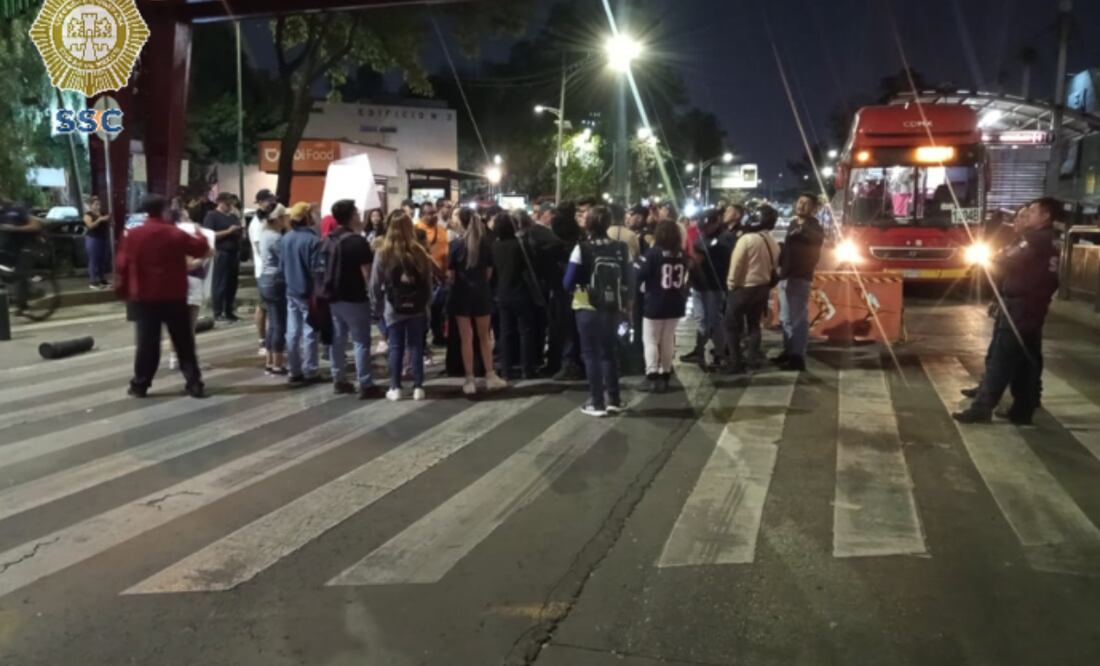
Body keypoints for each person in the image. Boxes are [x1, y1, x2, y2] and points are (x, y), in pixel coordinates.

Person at [954, 198, 1060, 425]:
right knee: (1026, 361)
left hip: (1021, 307)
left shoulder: (1033, 240)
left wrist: (993, 257)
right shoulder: (1050, 240)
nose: (1027, 216)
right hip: (1032, 306)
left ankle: (982, 408)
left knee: (1001, 359)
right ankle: (1023, 409)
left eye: (1032, 212)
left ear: (1045, 216)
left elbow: (1006, 258)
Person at [114, 194, 211, 398]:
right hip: (173, 295)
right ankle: (194, 383)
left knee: (147, 344)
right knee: (184, 342)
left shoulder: (133, 235)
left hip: (143, 297)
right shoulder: (174, 233)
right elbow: (200, 248)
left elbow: (122, 265)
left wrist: (124, 291)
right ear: (165, 210)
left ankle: (140, 384)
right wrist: (198, 232)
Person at [564, 205, 633, 417]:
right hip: (613, 308)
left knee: (591, 354)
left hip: (587, 306)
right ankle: (614, 398)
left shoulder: (582, 248)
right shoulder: (621, 248)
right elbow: (630, 280)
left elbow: (567, 282)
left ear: (590, 224)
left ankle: (596, 402)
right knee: (609, 352)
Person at [320, 199, 381, 399]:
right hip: (355, 298)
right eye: (357, 213)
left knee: (338, 340)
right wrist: (374, 297)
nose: (359, 216)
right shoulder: (357, 242)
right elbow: (367, 273)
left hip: (333, 297)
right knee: (361, 341)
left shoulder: (329, 239)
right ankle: (365, 383)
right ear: (352, 216)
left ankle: (339, 379)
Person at [371, 210, 432, 401]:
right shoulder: (419, 251)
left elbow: (374, 283)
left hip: (393, 305)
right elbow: (428, 281)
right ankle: (418, 387)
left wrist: (376, 307)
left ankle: (395, 387)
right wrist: (426, 303)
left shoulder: (384, 252)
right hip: (417, 306)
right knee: (415, 345)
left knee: (396, 346)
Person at [449, 207, 506, 395]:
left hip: (461, 295)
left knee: (466, 338)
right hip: (481, 294)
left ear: (461, 222)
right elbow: (489, 273)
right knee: (485, 337)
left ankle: (470, 378)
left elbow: (451, 275)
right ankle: (490, 375)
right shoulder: (485, 244)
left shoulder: (456, 245)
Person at [724, 204, 781, 374]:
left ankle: (735, 362)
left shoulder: (747, 239)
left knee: (730, 324)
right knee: (754, 325)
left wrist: (731, 284)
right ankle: (751, 359)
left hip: (744, 288)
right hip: (762, 288)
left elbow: (737, 264)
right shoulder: (772, 242)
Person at [634, 219, 688, 393]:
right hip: (676, 301)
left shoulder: (653, 253)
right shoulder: (682, 254)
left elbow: (638, 274)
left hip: (655, 302)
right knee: (667, 339)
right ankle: (665, 372)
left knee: (650, 340)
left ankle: (651, 375)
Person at [774, 193, 825, 371]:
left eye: (806, 203)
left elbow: (813, 247)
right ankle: (788, 351)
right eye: (800, 201)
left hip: (800, 277)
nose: (801, 205)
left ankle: (798, 357)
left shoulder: (815, 227)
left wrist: (803, 231)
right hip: (786, 276)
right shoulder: (793, 223)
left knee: (798, 319)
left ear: (814, 208)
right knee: (786, 318)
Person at [492, 212, 540, 380]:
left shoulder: (495, 247)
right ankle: (527, 367)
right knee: (525, 331)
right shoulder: (520, 245)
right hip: (520, 291)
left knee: (505, 332)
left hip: (501, 293)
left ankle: (506, 368)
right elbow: (531, 265)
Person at [687, 208, 736, 370]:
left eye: (708, 225)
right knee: (701, 320)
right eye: (702, 226)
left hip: (715, 286)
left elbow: (721, 251)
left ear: (717, 221)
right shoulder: (703, 236)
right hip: (699, 285)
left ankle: (720, 353)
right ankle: (700, 350)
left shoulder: (726, 237)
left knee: (715, 321)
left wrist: (704, 250)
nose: (705, 229)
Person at [518, 208, 565, 375]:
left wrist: (543, 261)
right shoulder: (532, 235)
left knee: (541, 324)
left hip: (544, 285)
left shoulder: (535, 234)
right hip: (542, 286)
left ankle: (538, 361)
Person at [280, 202, 322, 385]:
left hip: (291, 290)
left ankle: (294, 369)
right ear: (306, 218)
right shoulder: (313, 241)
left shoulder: (286, 238)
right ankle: (310, 369)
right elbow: (317, 269)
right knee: (310, 331)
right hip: (308, 292)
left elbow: (282, 265)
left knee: (293, 331)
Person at [258, 204, 289, 375]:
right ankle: (278, 363)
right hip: (276, 280)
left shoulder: (265, 234)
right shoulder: (276, 238)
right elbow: (284, 260)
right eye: (285, 216)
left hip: (265, 279)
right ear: (277, 219)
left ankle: (270, 361)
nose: (287, 220)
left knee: (272, 323)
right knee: (279, 324)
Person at [202, 192, 243, 322]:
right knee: (220, 283)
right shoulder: (212, 216)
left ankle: (229, 310)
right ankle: (218, 312)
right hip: (221, 253)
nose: (229, 206)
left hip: (234, 253)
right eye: (227, 203)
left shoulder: (232, 216)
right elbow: (209, 234)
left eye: (231, 203)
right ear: (219, 202)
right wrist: (228, 231)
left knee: (232, 283)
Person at [0, 199, 44, 310]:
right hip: (12, 249)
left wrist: (14, 228)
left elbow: (36, 225)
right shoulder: (2, 213)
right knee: (9, 274)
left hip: (29, 246)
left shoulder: (16, 208)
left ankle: (24, 302)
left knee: (20, 273)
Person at [416, 200, 449, 346]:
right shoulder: (416, 229)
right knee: (424, 312)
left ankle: (438, 335)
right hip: (426, 276)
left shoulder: (441, 229)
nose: (432, 216)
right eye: (429, 214)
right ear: (422, 214)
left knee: (438, 310)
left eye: (434, 213)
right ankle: (421, 341)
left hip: (442, 276)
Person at [250, 189, 278, 355]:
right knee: (263, 307)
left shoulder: (267, 220)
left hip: (268, 270)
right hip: (264, 271)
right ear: (260, 202)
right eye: (268, 201)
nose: (271, 203)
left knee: (268, 307)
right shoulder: (257, 223)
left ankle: (270, 340)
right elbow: (261, 249)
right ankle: (262, 341)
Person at [83, 196, 111, 289]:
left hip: (103, 238)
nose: (98, 206)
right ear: (91, 206)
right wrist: (99, 220)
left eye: (99, 204)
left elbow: (109, 223)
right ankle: (93, 281)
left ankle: (102, 279)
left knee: (102, 260)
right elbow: (90, 226)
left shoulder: (102, 213)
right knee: (94, 260)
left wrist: (108, 219)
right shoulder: (88, 215)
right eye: (96, 204)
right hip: (93, 239)